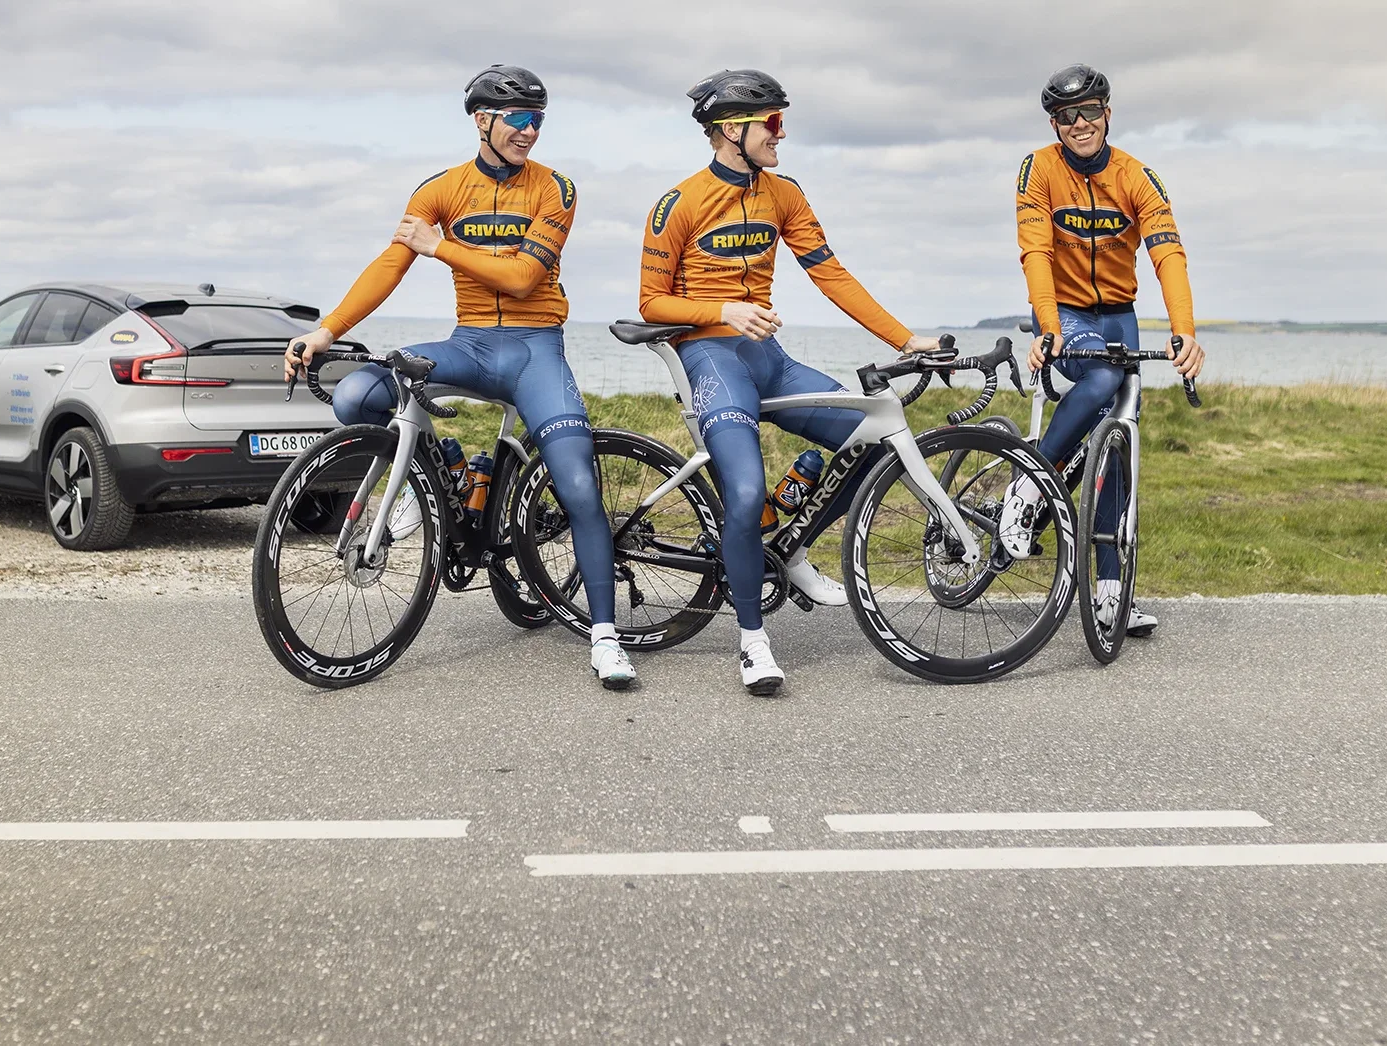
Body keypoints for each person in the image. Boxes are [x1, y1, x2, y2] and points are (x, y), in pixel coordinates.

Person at [283, 66, 635, 691]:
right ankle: (428, 478)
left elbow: (525, 279)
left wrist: (438, 247)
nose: (531, 132)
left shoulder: (558, 189)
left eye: (539, 120)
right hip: (469, 345)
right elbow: (389, 265)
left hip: (535, 353)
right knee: (357, 394)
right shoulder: (441, 190)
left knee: (580, 488)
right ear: (483, 121)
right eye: (520, 119)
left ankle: (604, 636)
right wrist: (325, 332)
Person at [639, 69, 940, 695]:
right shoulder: (679, 203)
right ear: (730, 130)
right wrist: (721, 312)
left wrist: (905, 339)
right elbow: (651, 304)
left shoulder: (785, 194)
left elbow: (830, 272)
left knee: (873, 442)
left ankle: (787, 541)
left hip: (768, 359)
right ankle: (752, 643)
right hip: (712, 361)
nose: (782, 133)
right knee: (743, 494)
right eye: (771, 122)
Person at [1008, 63, 1206, 639]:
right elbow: (1036, 252)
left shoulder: (1137, 176)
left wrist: (1184, 329)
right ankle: (1030, 480)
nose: (1079, 124)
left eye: (1089, 111)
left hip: (1120, 313)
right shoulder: (1038, 168)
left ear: (1107, 114)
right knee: (1097, 381)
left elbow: (1169, 254)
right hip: (1067, 312)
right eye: (1066, 116)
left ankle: (1112, 592)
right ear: (1055, 123)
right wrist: (1049, 326)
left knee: (1120, 448)